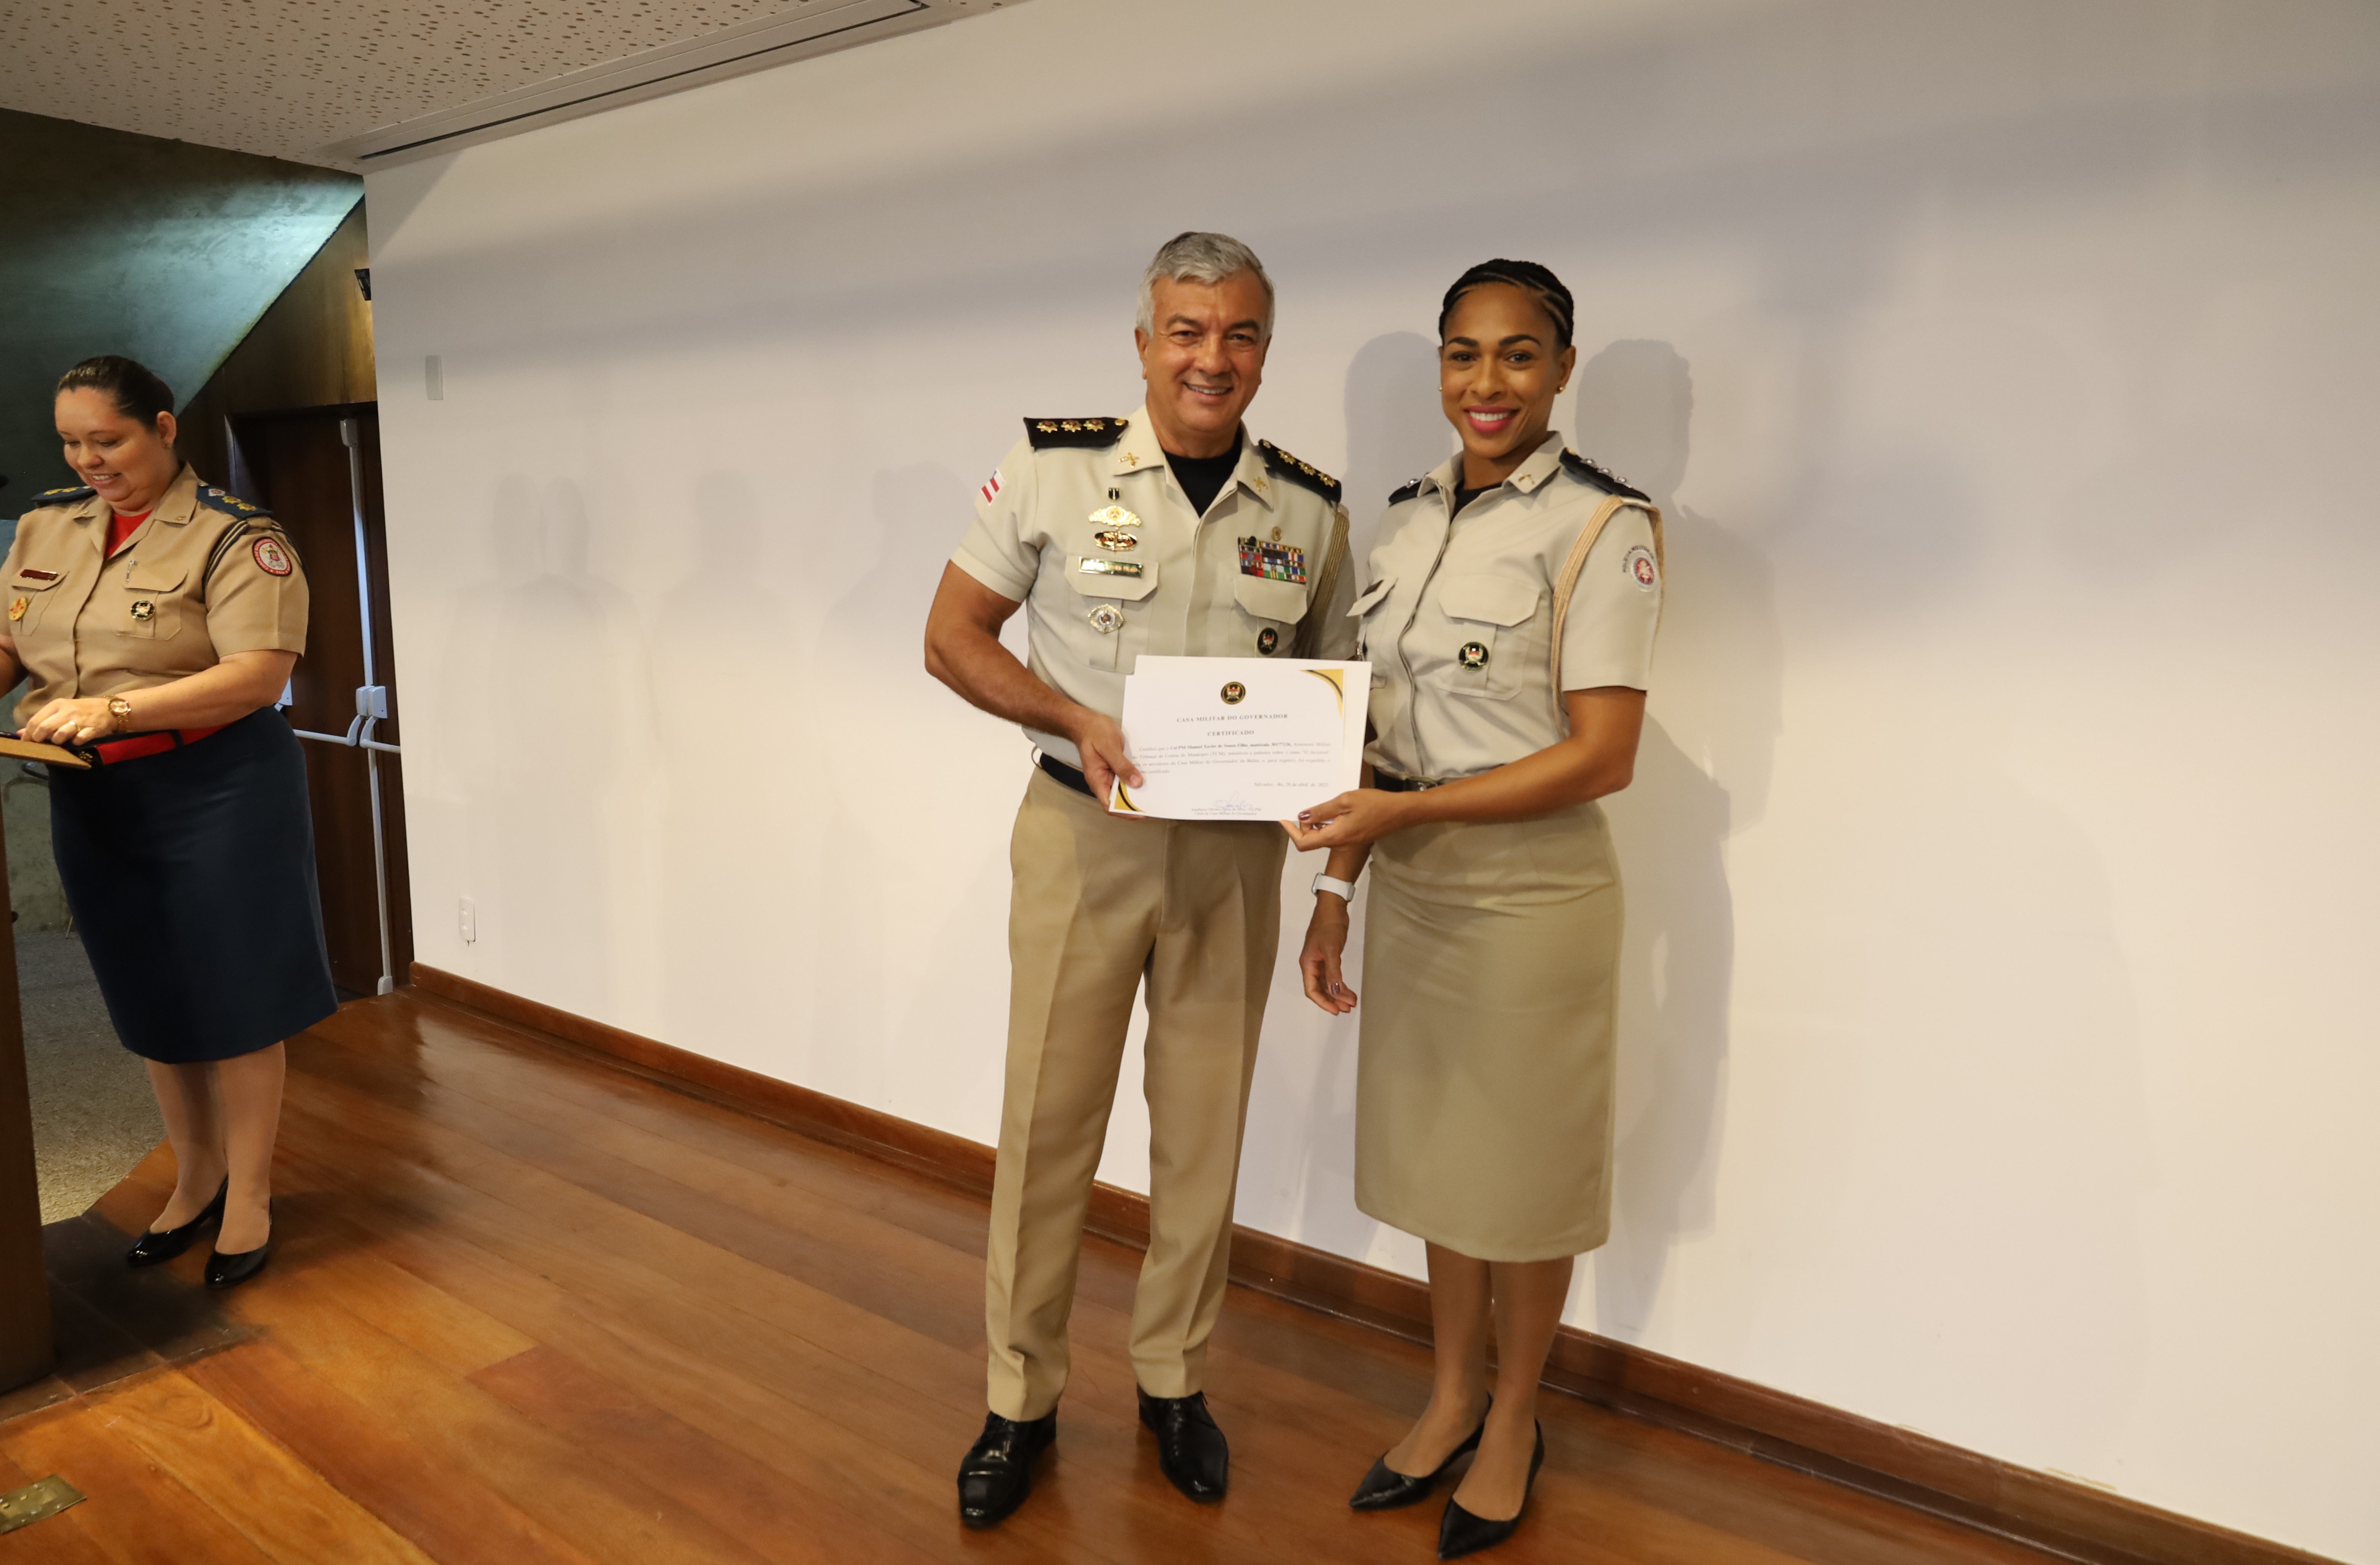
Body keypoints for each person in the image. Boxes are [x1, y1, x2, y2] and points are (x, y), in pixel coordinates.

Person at [923, 231, 1356, 1526]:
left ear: (1265, 350)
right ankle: (1019, 1398)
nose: (1211, 358)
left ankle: (1174, 1380)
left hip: (1232, 857)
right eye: (1187, 330)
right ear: (1144, 342)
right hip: (1084, 838)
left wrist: (1335, 879)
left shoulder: (1309, 510)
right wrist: (1072, 715)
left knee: (1205, 1131)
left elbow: (1340, 702)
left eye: (1239, 334)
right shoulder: (1053, 472)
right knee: (1048, 1125)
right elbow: (951, 638)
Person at [1289, 260, 1663, 1560]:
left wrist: (1404, 820)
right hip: (1417, 887)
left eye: (1517, 354)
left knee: (1525, 1177)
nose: (1486, 382)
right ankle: (1450, 1393)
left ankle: (1514, 1416)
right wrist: (1336, 889)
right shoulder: (1401, 524)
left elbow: (1603, 755)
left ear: (1562, 369)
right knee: (1447, 1165)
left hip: (1533, 898)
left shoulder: (1604, 527)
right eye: (1464, 354)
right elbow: (1375, 741)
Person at [3, 355, 336, 1290]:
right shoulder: (47, 525)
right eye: (72, 444)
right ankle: (196, 1179)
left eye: (107, 440)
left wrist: (114, 710)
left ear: (162, 427)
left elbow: (259, 676)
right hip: (94, 793)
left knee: (235, 997)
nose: (88, 461)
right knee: (148, 992)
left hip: (216, 788)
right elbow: (11, 643)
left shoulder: (237, 538)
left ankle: (251, 1196)